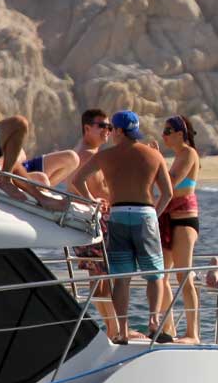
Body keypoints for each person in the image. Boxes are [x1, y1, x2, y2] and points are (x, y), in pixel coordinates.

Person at [67, 111, 174, 343]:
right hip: (145, 214)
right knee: (154, 275)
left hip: (117, 216)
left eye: (111, 129)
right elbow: (168, 193)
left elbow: (76, 180)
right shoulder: (154, 156)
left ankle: (122, 331)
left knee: (121, 277)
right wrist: (154, 215)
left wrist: (91, 200)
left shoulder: (106, 156)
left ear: (117, 131)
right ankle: (154, 322)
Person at [160, 116, 203, 343]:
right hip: (170, 218)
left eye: (168, 131)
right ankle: (169, 329)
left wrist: (154, 160)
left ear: (180, 133)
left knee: (183, 275)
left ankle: (193, 333)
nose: (164, 135)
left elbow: (171, 182)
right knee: (162, 275)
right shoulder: (177, 157)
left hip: (185, 219)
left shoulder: (188, 154)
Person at [21, 109, 110, 188]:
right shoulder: (89, 155)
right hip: (31, 172)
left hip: (36, 175)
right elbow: (99, 191)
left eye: (110, 127)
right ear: (87, 128)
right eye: (102, 126)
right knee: (71, 158)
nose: (107, 130)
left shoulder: (80, 147)